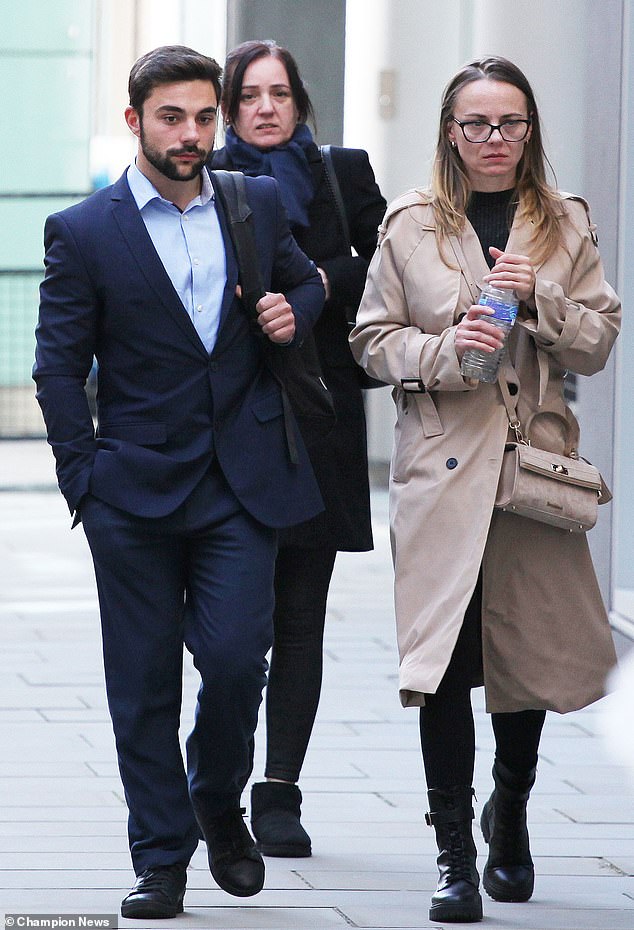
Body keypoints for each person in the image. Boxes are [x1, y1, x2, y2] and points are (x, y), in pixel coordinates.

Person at [33, 45, 325, 920]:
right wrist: (85, 477)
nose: (192, 134)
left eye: (205, 116)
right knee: (145, 683)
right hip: (134, 490)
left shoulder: (256, 202)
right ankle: (161, 858)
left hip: (242, 482)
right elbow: (55, 369)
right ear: (136, 122)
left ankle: (215, 799)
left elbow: (306, 283)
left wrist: (290, 311)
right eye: (173, 117)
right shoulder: (84, 231)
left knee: (238, 662)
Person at [350, 56, 621, 923]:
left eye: (510, 124)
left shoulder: (564, 221)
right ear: (449, 132)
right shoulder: (412, 223)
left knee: (524, 663)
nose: (494, 140)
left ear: (530, 130)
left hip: (532, 476)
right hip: (442, 475)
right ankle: (453, 857)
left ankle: (507, 810)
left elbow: (597, 342)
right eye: (476, 125)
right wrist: (445, 348)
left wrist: (539, 296)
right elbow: (369, 340)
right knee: (443, 668)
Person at [209, 39, 386, 857]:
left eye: (281, 93)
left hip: (319, 419)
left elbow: (386, 280)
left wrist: (315, 282)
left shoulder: (341, 174)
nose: (268, 108)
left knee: (302, 615)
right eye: (251, 95)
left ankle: (278, 791)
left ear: (300, 101)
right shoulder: (203, 179)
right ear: (231, 105)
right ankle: (220, 778)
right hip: (234, 423)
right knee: (235, 625)